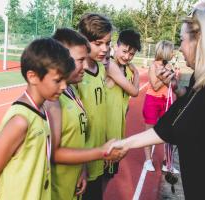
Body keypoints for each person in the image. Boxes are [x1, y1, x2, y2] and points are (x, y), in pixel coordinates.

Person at [108, 8, 205, 200]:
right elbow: (171, 124)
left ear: (200, 40)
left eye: (182, 40)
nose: (180, 48)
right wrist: (126, 143)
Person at [0, 38, 75, 200]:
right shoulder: (20, 121)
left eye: (65, 80)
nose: (64, 86)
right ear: (33, 77)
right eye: (57, 80)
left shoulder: (41, 111)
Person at [48, 28, 121, 200]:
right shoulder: (53, 101)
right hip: (58, 190)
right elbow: (55, 153)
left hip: (75, 181)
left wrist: (82, 168)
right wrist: (101, 152)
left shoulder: (70, 91)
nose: (84, 66)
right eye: (80, 60)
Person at [77, 13, 112, 200]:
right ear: (84, 41)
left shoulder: (100, 70)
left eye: (108, 43)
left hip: (99, 155)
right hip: (82, 160)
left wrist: (105, 145)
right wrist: (81, 166)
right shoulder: (77, 77)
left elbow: (100, 112)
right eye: (99, 43)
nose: (105, 49)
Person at [103, 29, 141, 183]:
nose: (127, 56)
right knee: (102, 174)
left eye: (131, 54)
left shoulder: (125, 68)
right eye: (124, 51)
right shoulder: (111, 65)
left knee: (109, 175)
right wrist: (137, 74)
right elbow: (134, 91)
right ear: (116, 46)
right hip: (106, 128)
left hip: (118, 128)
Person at [142, 40, 179, 172]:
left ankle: (167, 162)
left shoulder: (169, 65)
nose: (173, 53)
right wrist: (166, 75)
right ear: (165, 51)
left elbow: (174, 84)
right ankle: (147, 160)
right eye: (171, 50)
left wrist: (171, 75)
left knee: (167, 131)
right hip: (152, 100)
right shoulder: (153, 66)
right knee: (149, 131)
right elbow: (155, 86)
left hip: (167, 100)